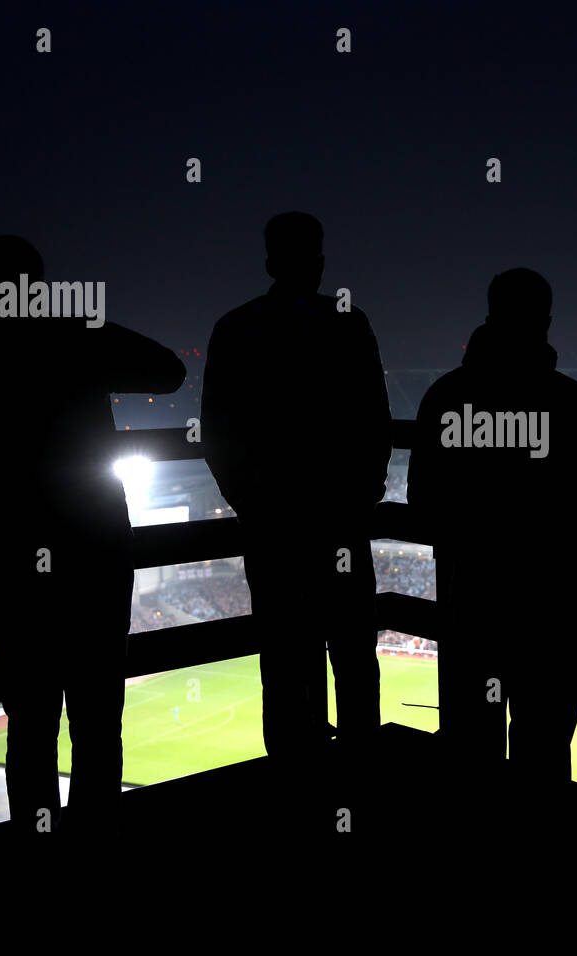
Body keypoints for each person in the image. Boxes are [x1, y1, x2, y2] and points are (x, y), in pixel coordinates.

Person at [0, 235, 185, 840]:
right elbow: (169, 371)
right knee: (98, 719)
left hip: (15, 562)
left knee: (31, 722)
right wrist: (74, 325)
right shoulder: (78, 342)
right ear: (38, 287)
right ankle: (96, 842)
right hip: (96, 555)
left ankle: (36, 846)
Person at [201, 212, 391, 758]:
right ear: (321, 261)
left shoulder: (236, 328)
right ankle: (358, 774)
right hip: (340, 524)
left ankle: (292, 782)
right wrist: (360, 499)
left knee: (285, 660)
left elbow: (216, 433)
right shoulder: (349, 324)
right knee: (354, 655)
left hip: (273, 528)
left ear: (268, 262)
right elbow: (375, 425)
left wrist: (252, 504)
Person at [407, 268, 577, 797]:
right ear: (547, 321)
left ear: (488, 315)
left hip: (471, 604)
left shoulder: (445, 396)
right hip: (551, 609)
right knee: (545, 749)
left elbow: (423, 504)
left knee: (471, 749)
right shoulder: (572, 402)